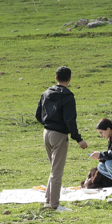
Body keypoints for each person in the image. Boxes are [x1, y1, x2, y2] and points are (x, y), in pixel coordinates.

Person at [35, 66, 88, 211]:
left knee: (54, 169)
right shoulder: (68, 96)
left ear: (56, 78)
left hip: (46, 133)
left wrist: (48, 124)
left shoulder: (46, 93)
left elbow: (37, 114)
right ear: (70, 79)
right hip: (59, 135)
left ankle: (48, 200)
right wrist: (79, 139)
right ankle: (54, 205)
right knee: (57, 171)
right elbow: (70, 120)